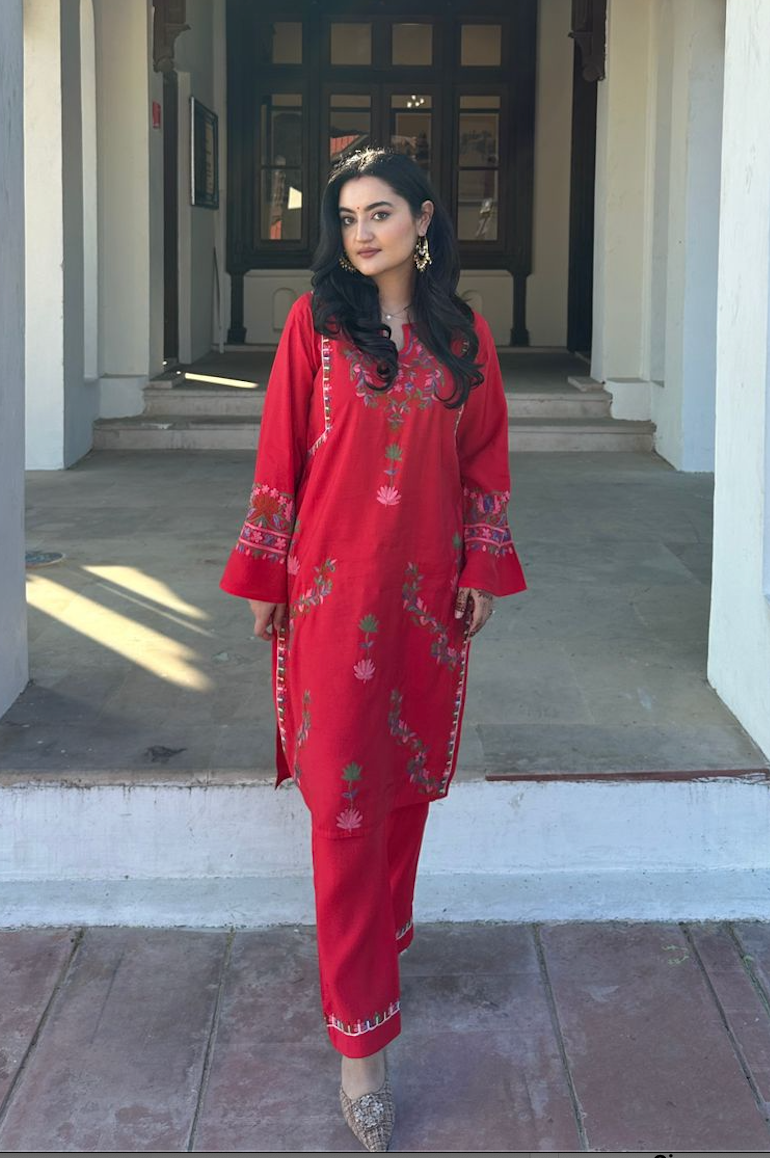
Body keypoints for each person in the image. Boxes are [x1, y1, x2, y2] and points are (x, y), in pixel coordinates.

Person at [220, 147, 527, 1152]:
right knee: (345, 806)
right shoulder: (316, 326)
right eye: (348, 218)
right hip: (329, 597)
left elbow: (483, 458)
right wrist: (267, 578)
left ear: (423, 220)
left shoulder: (461, 334)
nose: (361, 233)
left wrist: (479, 565)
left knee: (402, 790)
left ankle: (378, 952)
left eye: (380, 213)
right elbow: (279, 454)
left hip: (422, 605)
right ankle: (362, 1042)